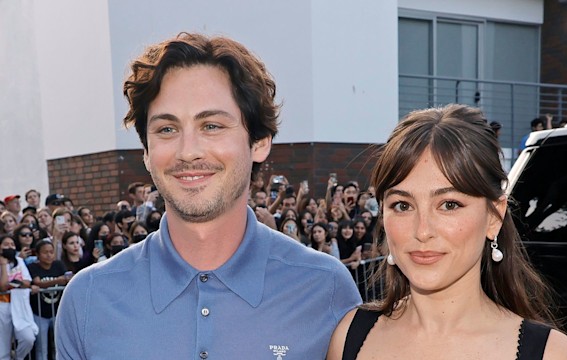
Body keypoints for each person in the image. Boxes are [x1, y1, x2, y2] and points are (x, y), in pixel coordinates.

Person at [56, 32, 361, 359]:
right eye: (167, 129)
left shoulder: (325, 290)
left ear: (259, 142)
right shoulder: (88, 301)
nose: (188, 152)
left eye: (212, 126)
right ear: (146, 151)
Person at [328, 104, 567, 360]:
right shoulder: (349, 337)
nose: (422, 231)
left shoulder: (551, 354)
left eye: (449, 205)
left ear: (494, 216)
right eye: (402, 205)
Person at [27, 240, 69, 360]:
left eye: (51, 252)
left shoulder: (59, 265)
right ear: (38, 254)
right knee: (42, 348)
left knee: (58, 346)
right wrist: (57, 281)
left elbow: (67, 277)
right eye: (45, 252)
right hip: (40, 314)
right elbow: (37, 283)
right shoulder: (33, 267)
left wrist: (64, 279)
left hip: (57, 313)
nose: (49, 255)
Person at [0, 235, 37, 360]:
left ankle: (18, 358)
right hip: (3, 306)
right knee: (3, 348)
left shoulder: (19, 261)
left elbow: (27, 282)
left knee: (28, 338)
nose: (10, 247)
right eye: (6, 244)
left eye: (12, 244)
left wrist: (17, 284)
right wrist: (4, 265)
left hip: (20, 306)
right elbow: (3, 286)